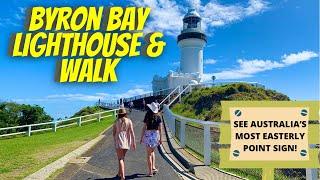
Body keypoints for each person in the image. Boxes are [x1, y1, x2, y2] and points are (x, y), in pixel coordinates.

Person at [140, 102, 162, 177]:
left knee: (149, 154)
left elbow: (144, 127)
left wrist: (141, 137)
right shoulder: (158, 117)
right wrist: (161, 138)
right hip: (155, 135)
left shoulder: (147, 115)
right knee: (152, 152)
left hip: (148, 135)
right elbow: (160, 129)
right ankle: (153, 167)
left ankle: (150, 172)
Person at [113, 108, 136, 180]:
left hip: (119, 141)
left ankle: (122, 176)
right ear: (125, 114)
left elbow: (114, 133)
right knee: (122, 158)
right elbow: (132, 133)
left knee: (120, 158)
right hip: (126, 141)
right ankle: (119, 173)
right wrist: (133, 142)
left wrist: (115, 137)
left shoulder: (116, 121)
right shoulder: (129, 121)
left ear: (119, 114)